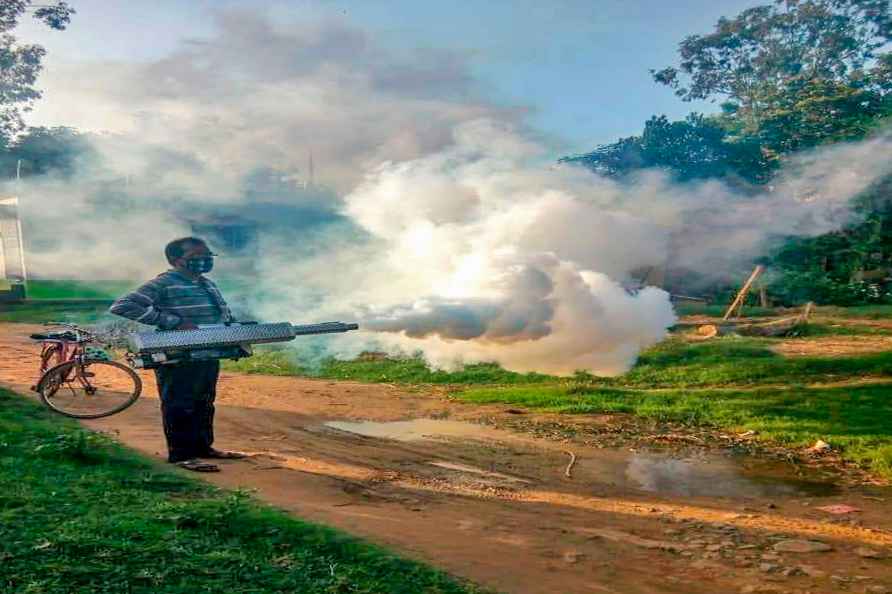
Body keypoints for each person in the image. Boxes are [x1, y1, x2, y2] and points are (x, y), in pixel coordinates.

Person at [109, 237, 245, 472]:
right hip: (178, 354)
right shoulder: (164, 283)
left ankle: (203, 448)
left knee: (204, 401)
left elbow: (220, 314)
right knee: (179, 404)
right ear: (175, 260)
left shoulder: (207, 284)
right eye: (195, 258)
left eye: (207, 257)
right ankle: (182, 455)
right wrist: (173, 321)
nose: (203, 262)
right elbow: (122, 306)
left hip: (206, 352)